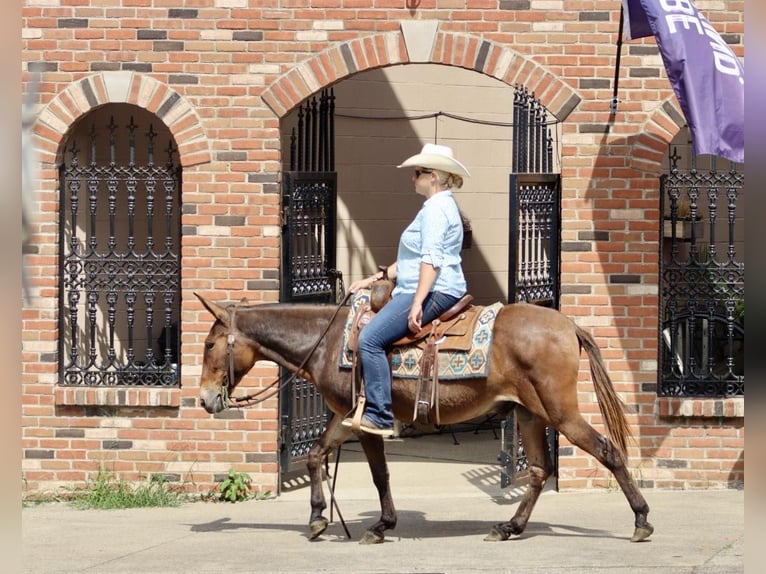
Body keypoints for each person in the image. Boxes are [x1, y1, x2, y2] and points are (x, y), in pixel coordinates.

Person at [342, 143, 470, 436]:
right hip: (427, 285)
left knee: (370, 339)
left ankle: (379, 413)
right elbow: (411, 260)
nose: (413, 179)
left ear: (433, 177)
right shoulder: (438, 206)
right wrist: (375, 278)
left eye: (417, 173)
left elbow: (431, 260)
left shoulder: (436, 210)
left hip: (433, 290)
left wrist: (418, 302)